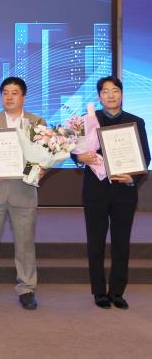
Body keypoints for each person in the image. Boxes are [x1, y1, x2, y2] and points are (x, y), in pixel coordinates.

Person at [74, 76, 150, 309]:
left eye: (115, 90)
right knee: (95, 243)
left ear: (122, 94)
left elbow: (145, 156)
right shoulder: (88, 120)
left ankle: (117, 292)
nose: (110, 95)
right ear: (99, 96)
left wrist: (133, 177)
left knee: (121, 243)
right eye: (105, 91)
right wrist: (79, 157)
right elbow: (73, 150)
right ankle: (99, 292)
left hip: (123, 191)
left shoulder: (135, 122)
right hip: (95, 191)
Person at [0, 76, 44, 310]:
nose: (9, 97)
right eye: (5, 93)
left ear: (23, 97)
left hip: (24, 191)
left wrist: (40, 169)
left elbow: (46, 153)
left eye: (14, 93)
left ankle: (27, 288)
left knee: (25, 243)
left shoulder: (36, 121)